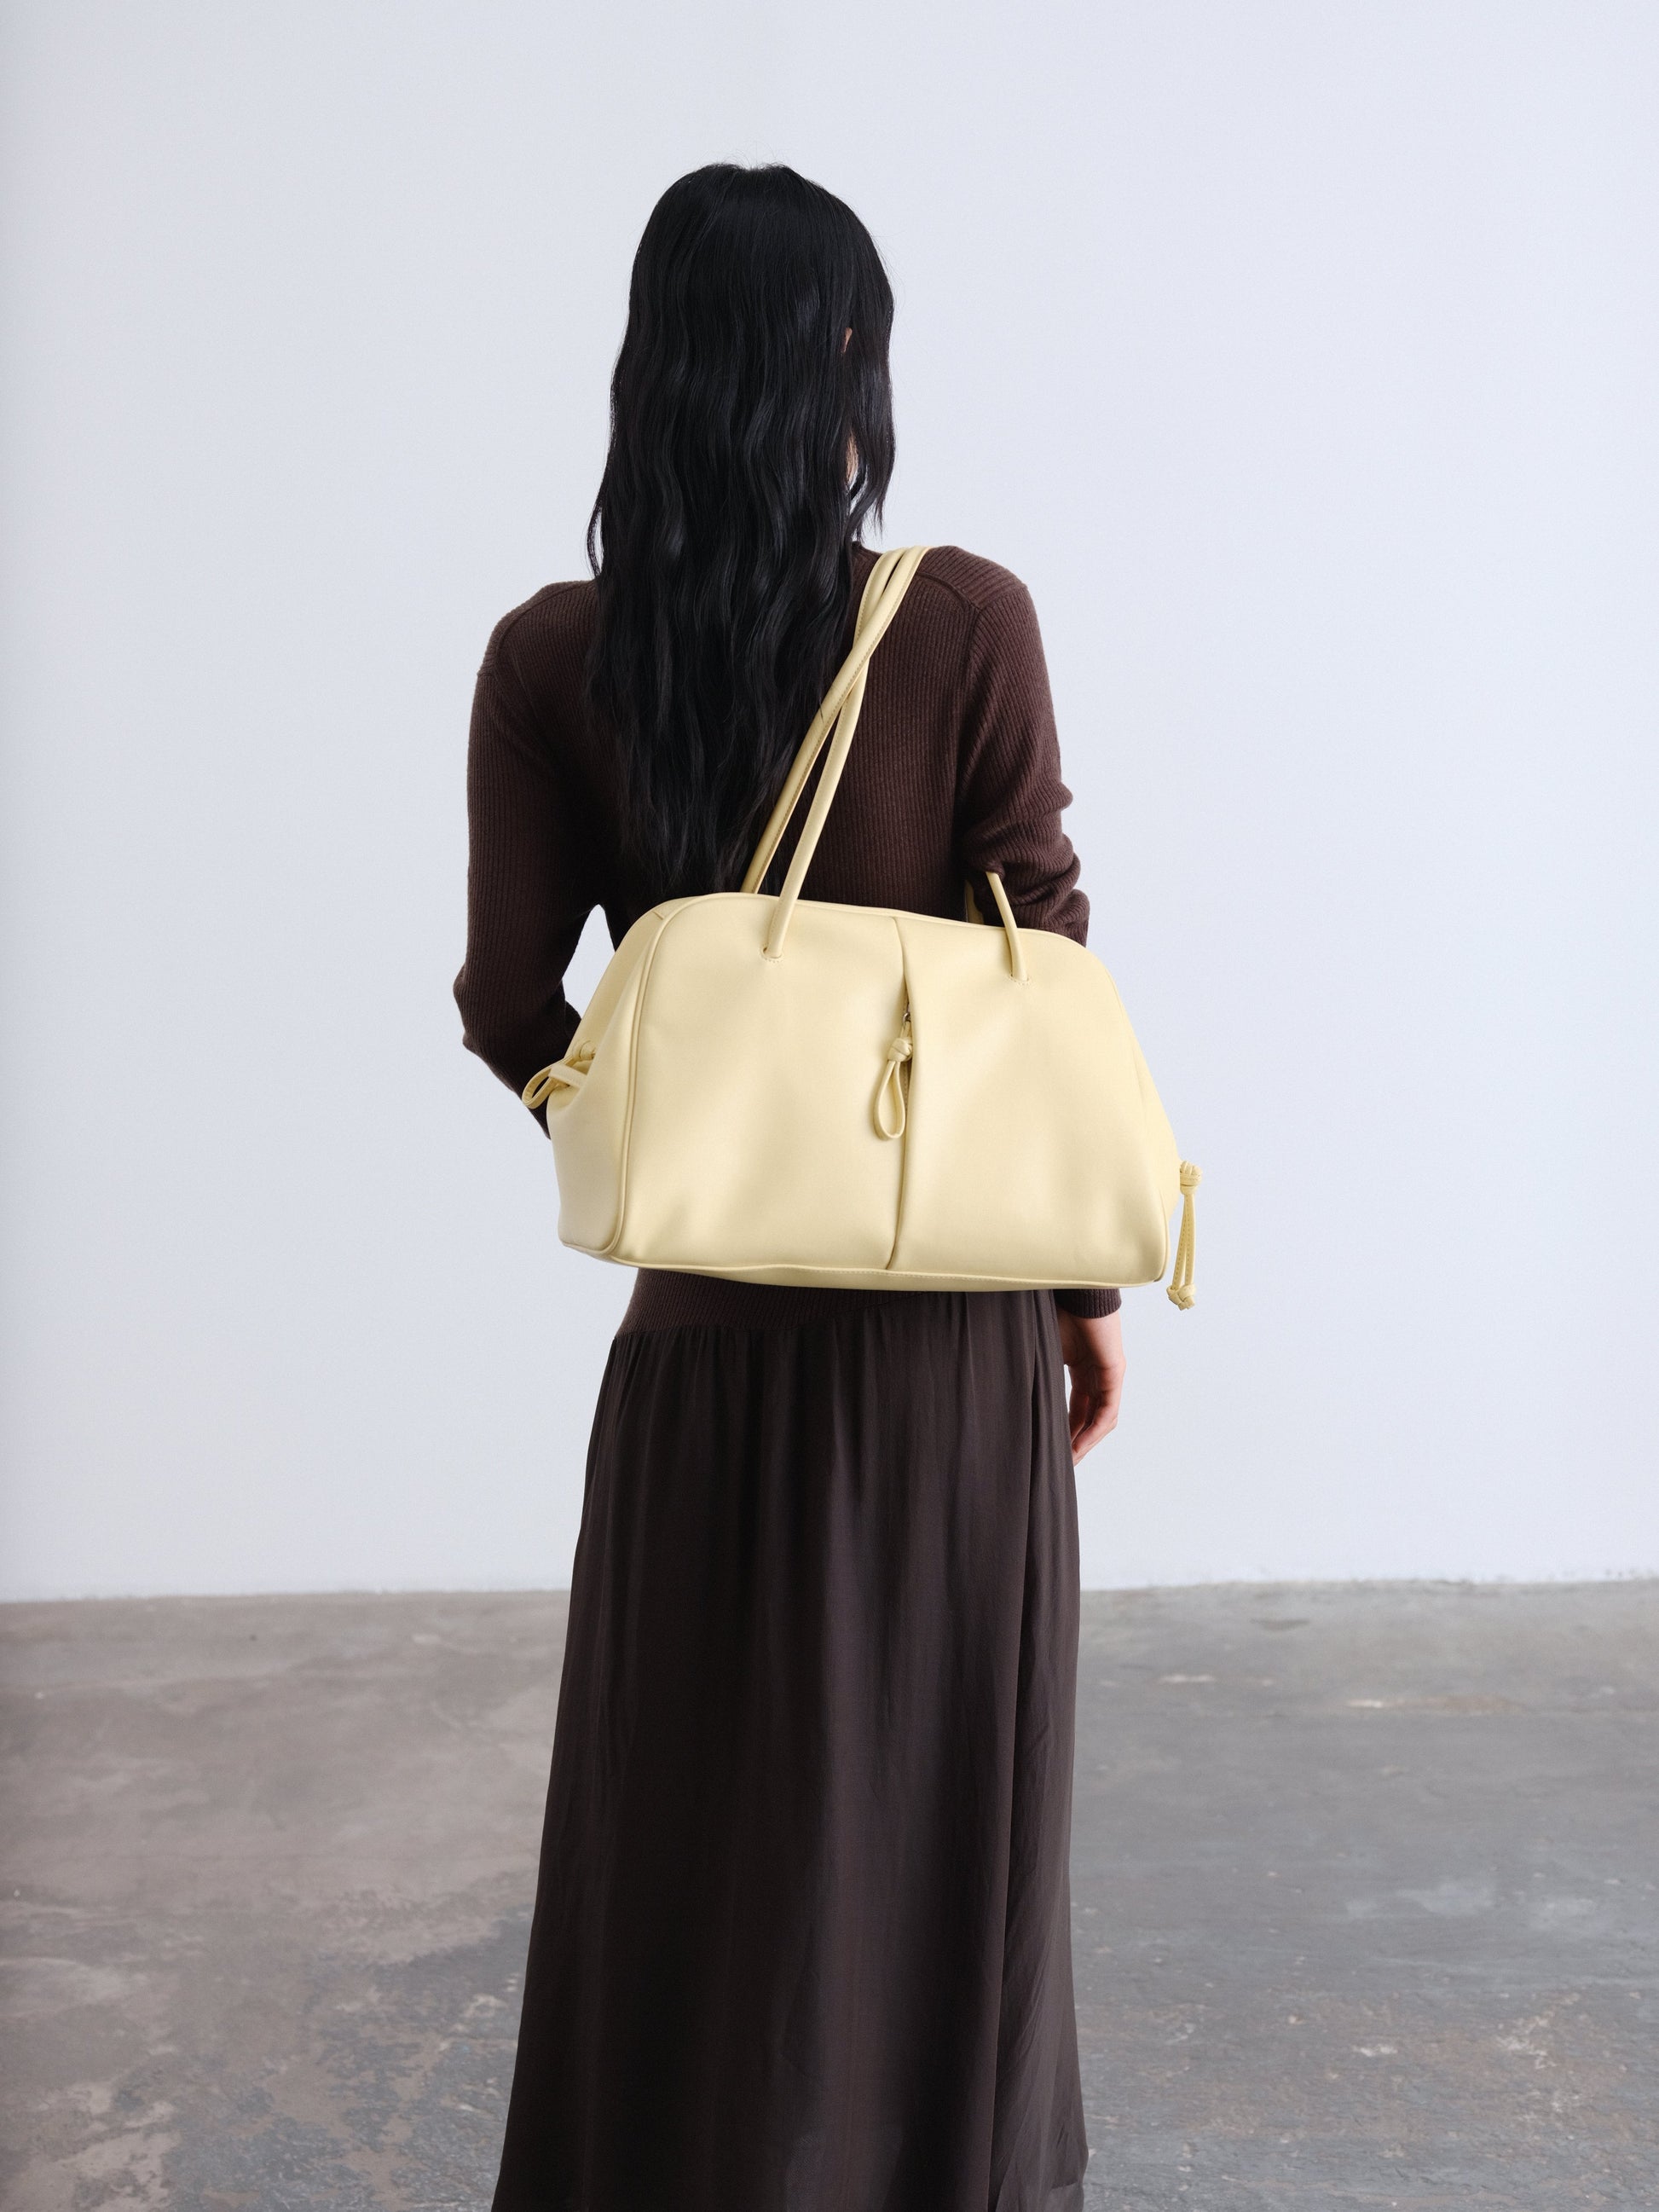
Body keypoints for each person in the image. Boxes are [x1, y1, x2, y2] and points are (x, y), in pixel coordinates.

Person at [454, 161, 1124, 2212]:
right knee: (939, 1839)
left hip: (704, 1361)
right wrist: (1079, 1296)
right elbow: (1042, 961)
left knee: (695, 1841)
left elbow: (506, 1004)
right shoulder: (965, 620)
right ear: (848, 360)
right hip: (948, 1358)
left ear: (653, 367)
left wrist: (680, 1149)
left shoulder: (555, 656)